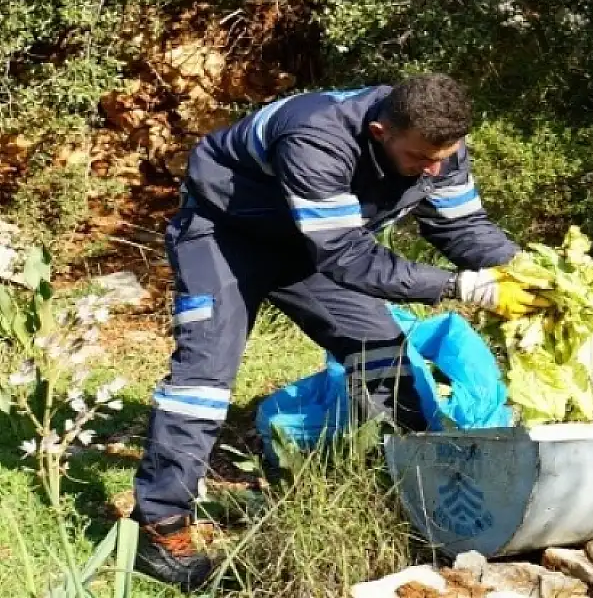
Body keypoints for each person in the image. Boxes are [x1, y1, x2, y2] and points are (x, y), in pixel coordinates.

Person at [131, 73, 548, 590]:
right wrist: (460, 286)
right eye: (421, 159)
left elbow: (461, 226)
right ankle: (160, 529)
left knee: (387, 358)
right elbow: (346, 256)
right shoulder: (315, 135)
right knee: (204, 380)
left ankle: (415, 499)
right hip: (225, 236)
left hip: (311, 246)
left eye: (445, 156)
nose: (434, 168)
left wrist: (529, 272)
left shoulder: (438, 143)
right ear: (379, 132)